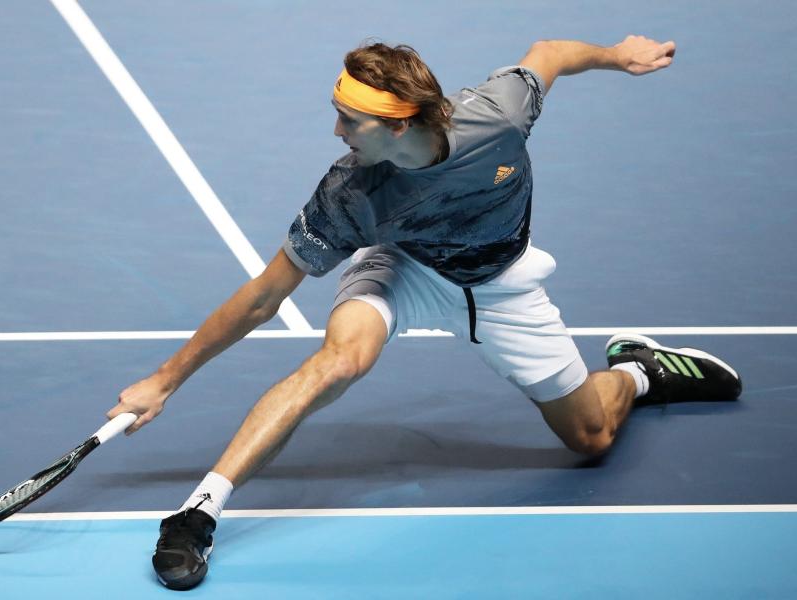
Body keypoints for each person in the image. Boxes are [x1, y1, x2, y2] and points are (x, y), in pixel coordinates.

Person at [107, 35, 742, 590]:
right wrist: (166, 378)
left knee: (591, 438)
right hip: (403, 268)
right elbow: (263, 298)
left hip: (500, 283)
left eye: (350, 121)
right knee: (339, 362)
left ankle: (637, 370)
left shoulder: (496, 117)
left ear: (401, 125)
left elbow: (548, 54)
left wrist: (614, 56)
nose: (337, 132)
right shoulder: (350, 191)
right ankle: (199, 513)